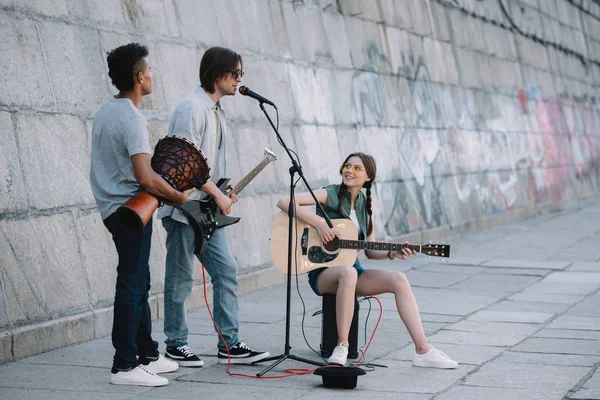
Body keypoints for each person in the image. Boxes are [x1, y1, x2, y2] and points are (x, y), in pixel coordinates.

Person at [276, 152, 458, 369]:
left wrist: (392, 253)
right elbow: (284, 201)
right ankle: (342, 346)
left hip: (352, 270)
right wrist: (318, 223)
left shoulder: (366, 207)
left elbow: (370, 250)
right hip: (322, 273)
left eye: (356, 168)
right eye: (347, 166)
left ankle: (422, 350)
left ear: (368, 177)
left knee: (399, 279)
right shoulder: (330, 193)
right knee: (348, 273)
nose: (349, 171)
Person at [91, 43, 195, 386]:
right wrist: (179, 196)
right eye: (149, 70)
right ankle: (124, 365)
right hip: (131, 211)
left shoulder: (108, 110)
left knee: (140, 280)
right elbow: (144, 177)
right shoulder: (132, 119)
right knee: (132, 282)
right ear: (139, 77)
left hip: (115, 208)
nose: (153, 75)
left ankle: (147, 353)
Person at [158, 46, 270, 367]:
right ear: (217, 74)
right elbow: (180, 161)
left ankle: (228, 343)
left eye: (241, 74)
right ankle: (176, 343)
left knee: (226, 271)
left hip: (206, 211)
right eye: (235, 74)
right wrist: (214, 193)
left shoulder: (216, 110)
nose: (239, 80)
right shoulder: (191, 109)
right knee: (179, 278)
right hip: (183, 209)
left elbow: (206, 166)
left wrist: (223, 190)